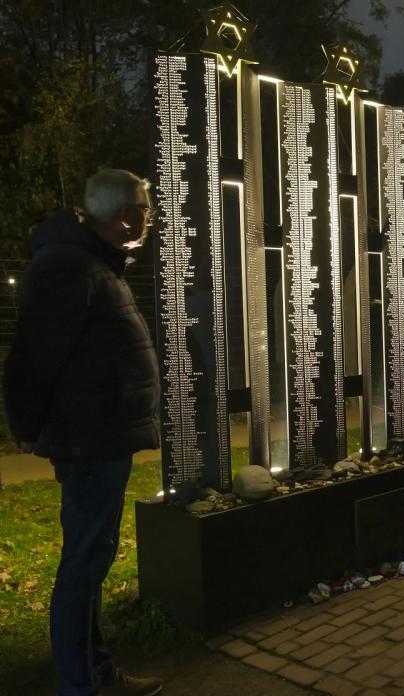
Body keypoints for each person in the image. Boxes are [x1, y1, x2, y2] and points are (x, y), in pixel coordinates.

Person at [3, 169, 163, 696]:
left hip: (101, 437)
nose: (150, 215)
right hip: (88, 441)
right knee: (83, 565)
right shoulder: (69, 267)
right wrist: (27, 427)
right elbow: (32, 358)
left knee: (92, 561)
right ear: (123, 216)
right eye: (144, 207)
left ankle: (95, 672)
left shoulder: (92, 263)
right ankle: (82, 685)